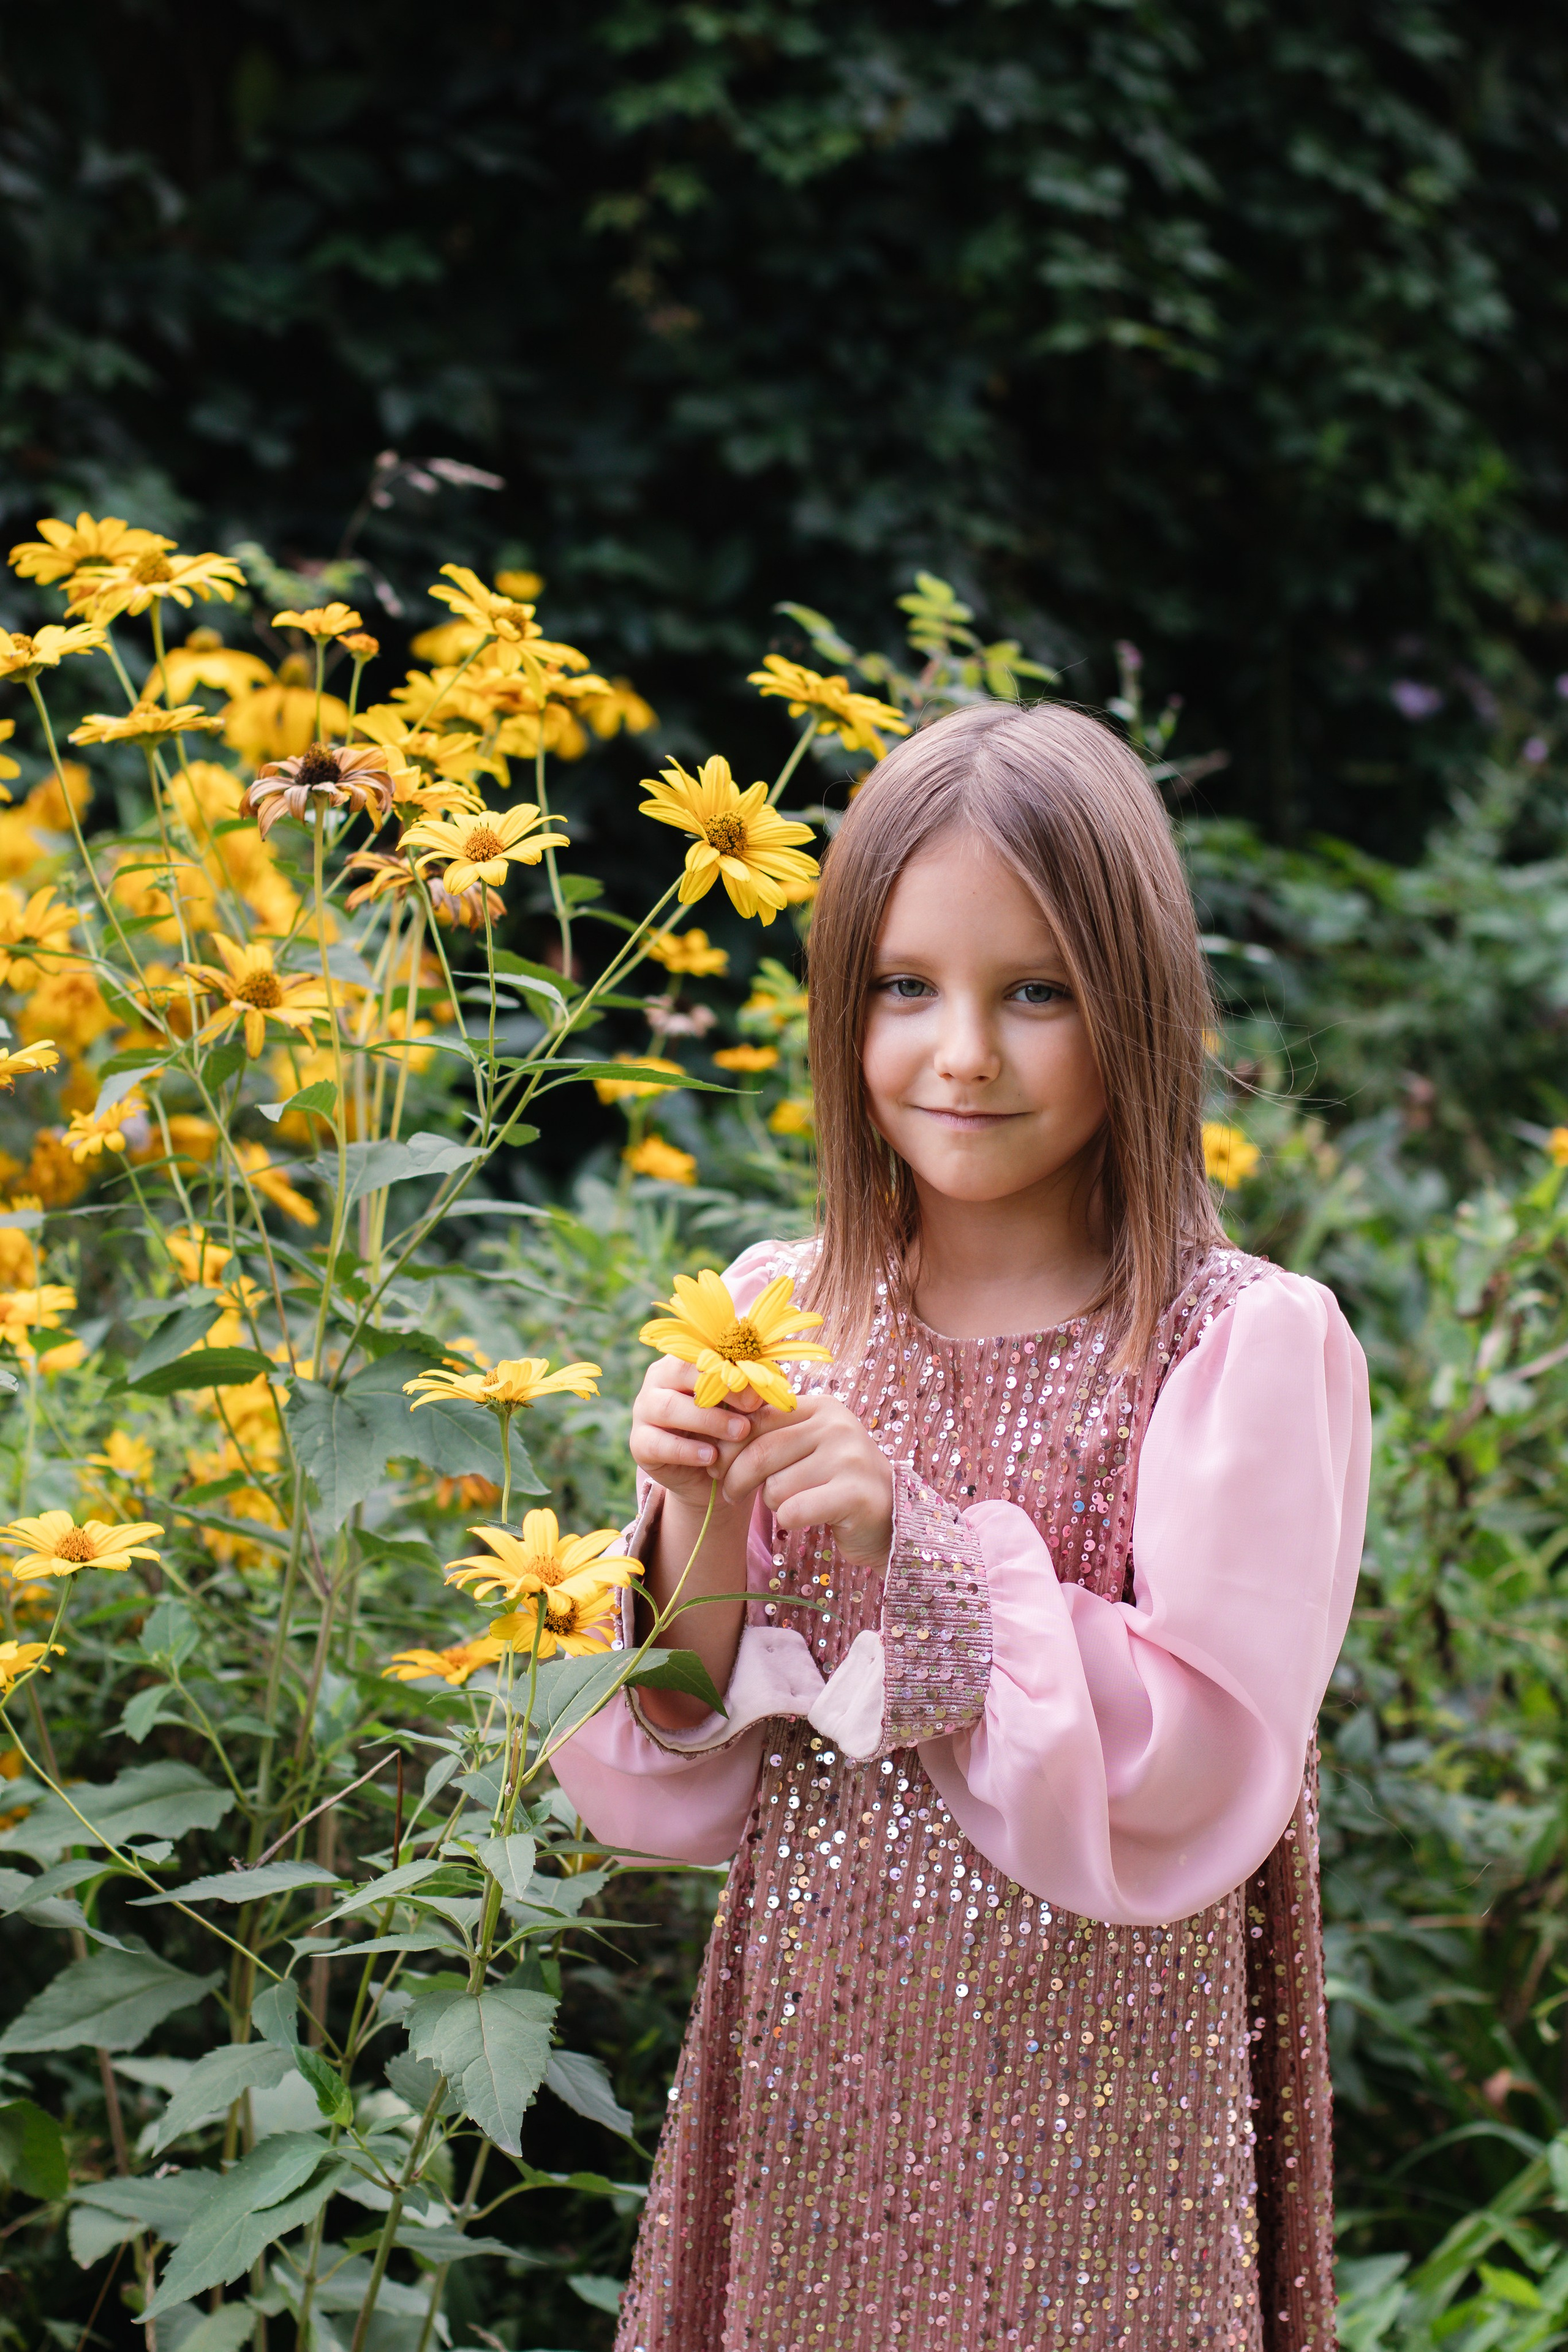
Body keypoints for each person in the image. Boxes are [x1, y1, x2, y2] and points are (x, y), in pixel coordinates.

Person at [554, 701, 1370, 2352]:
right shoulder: (782, 1313)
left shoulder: (1234, 1346)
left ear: (1138, 1004)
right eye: (905, 986)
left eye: (1037, 993)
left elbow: (1199, 1762)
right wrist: (696, 1509)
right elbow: (684, 1738)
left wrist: (911, 1553)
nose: (966, 1052)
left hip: (1108, 2114)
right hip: (817, 2079)